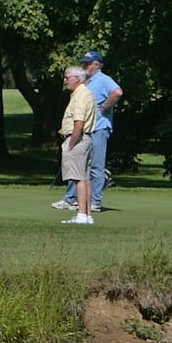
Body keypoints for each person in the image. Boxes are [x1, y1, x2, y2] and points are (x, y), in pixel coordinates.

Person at [54, 51, 122, 213]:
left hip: (98, 128)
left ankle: (95, 202)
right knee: (79, 164)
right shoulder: (86, 82)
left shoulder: (103, 79)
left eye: (87, 63)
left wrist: (104, 107)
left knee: (96, 166)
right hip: (85, 129)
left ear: (96, 65)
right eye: (84, 63)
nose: (84, 66)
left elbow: (117, 92)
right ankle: (71, 199)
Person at [58, 66, 96, 225]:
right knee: (84, 177)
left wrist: (71, 143)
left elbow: (79, 124)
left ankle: (81, 215)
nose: (65, 81)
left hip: (79, 139)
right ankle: (86, 215)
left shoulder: (80, 95)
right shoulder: (84, 93)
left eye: (68, 78)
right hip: (85, 139)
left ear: (77, 79)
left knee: (78, 178)